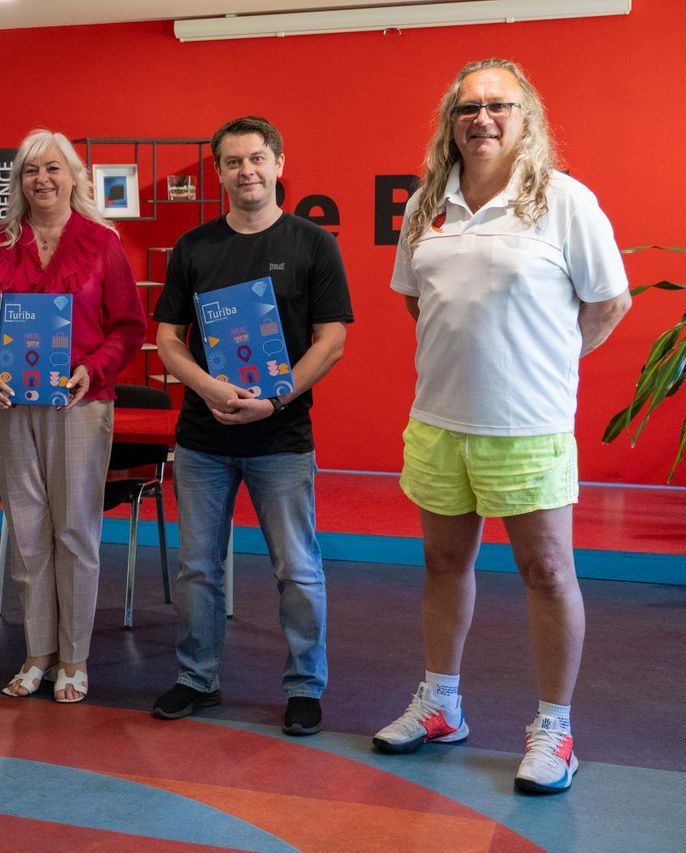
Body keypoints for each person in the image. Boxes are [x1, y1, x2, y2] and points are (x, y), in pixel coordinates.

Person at [374, 59, 631, 794]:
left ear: (527, 119)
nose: (481, 118)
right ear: (450, 122)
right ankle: (440, 706)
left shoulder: (564, 201)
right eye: (468, 107)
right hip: (438, 421)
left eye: (499, 106)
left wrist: (548, 363)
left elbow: (609, 303)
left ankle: (555, 729)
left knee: (546, 572)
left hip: (528, 427)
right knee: (442, 564)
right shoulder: (427, 204)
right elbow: (417, 300)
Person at [150, 116, 352, 734]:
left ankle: (305, 686)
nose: (247, 172)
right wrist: (207, 386)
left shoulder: (313, 244)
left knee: (298, 569)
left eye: (257, 158)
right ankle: (197, 677)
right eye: (234, 162)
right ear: (219, 171)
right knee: (197, 568)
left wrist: (277, 398)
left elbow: (331, 340)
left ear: (279, 163)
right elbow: (167, 340)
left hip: (280, 437)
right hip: (203, 437)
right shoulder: (193, 248)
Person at [0, 129, 145, 703]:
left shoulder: (103, 243)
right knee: (27, 530)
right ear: (19, 180)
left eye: (54, 168)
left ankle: (75, 657)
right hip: (9, 405)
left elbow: (129, 327)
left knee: (76, 531)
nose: (43, 179)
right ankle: (38, 652)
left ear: (73, 177)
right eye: (32, 170)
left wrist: (95, 368)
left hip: (79, 405)